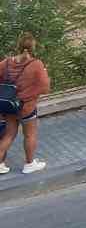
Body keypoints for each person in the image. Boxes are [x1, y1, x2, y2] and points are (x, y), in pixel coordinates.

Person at [0, 34, 49, 174]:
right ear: (33, 47)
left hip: (9, 106)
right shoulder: (36, 64)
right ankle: (29, 164)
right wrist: (28, 95)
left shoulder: (6, 63)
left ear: (18, 46)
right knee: (30, 135)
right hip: (26, 107)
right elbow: (45, 87)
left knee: (9, 135)